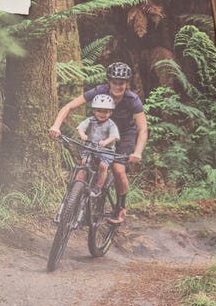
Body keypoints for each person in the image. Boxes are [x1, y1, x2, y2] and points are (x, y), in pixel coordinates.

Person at [49, 62, 148, 223]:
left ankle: (120, 207)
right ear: (109, 81)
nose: (117, 86)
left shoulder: (132, 100)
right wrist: (56, 126)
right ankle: (74, 199)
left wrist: (138, 152)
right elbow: (69, 107)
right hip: (98, 132)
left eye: (121, 83)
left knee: (118, 169)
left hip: (122, 135)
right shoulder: (99, 92)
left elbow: (142, 128)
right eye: (114, 82)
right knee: (85, 163)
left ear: (127, 84)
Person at [76, 94, 119, 197]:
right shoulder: (90, 120)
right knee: (84, 162)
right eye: (99, 111)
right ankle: (77, 184)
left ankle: (98, 187)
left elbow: (114, 136)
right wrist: (82, 135)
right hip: (90, 147)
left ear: (110, 112)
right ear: (94, 111)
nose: (102, 114)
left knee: (103, 166)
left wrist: (106, 142)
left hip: (106, 150)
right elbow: (81, 128)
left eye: (106, 111)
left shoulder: (111, 124)